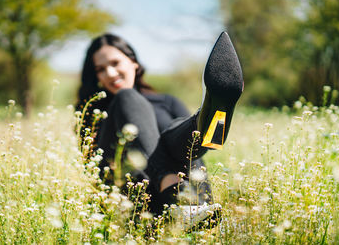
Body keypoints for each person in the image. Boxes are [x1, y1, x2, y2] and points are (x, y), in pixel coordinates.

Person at [76, 32, 243, 225]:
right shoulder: (96, 113)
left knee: (177, 137)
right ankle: (180, 197)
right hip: (135, 197)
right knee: (126, 98)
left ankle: (211, 117)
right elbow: (95, 167)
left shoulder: (166, 102)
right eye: (101, 69)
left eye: (115, 63)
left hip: (187, 201)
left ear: (133, 63)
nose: (110, 73)